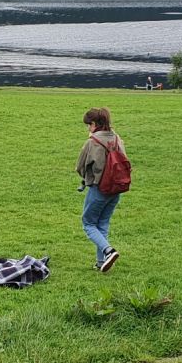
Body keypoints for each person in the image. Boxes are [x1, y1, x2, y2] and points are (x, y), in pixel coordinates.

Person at [76, 107, 122, 273]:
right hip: (116, 190)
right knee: (102, 224)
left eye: (88, 125)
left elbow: (80, 166)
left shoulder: (92, 142)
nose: (88, 128)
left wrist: (87, 178)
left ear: (94, 124)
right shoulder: (117, 138)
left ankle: (109, 251)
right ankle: (101, 261)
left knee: (88, 223)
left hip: (99, 188)